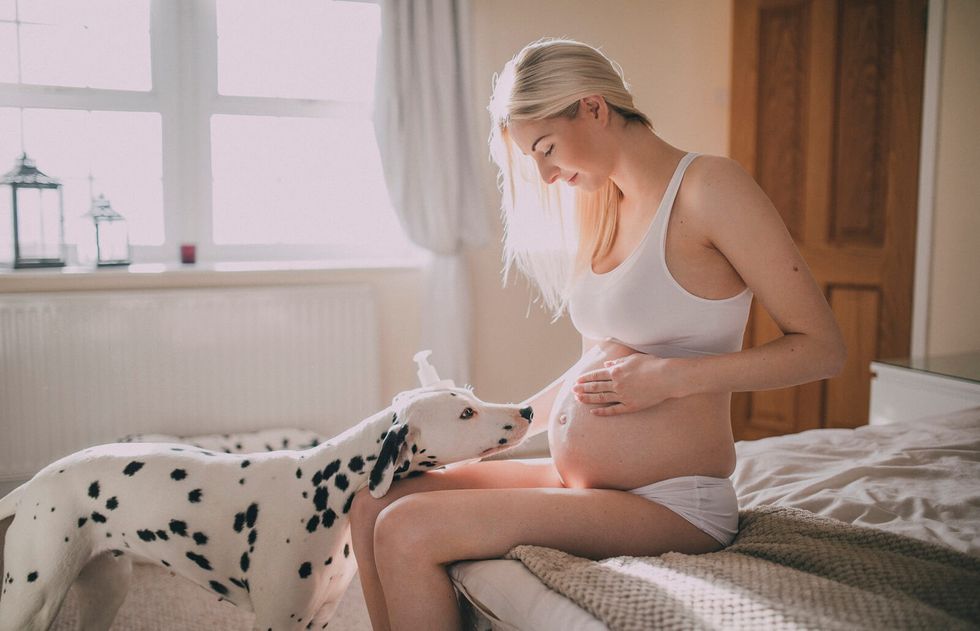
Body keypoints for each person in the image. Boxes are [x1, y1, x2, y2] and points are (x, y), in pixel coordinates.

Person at [349, 38, 846, 631]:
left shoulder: (709, 188)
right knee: (374, 501)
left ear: (592, 107)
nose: (546, 174)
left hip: (670, 502)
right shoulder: (604, 205)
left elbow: (822, 348)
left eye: (545, 148)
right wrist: (504, 426)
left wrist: (672, 379)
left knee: (410, 529)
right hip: (583, 483)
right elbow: (595, 364)